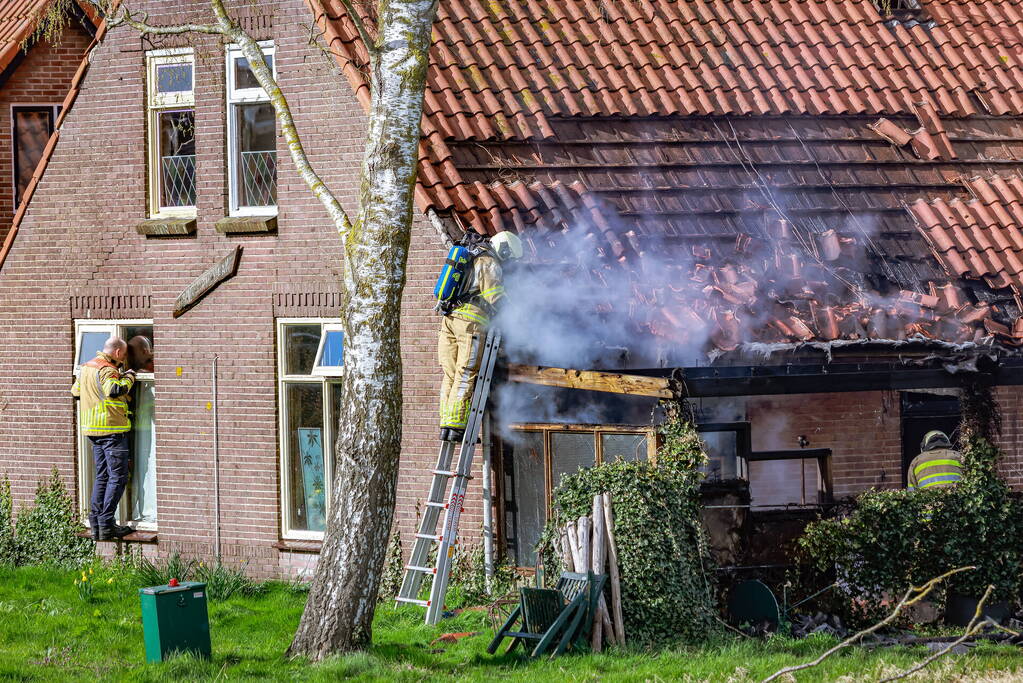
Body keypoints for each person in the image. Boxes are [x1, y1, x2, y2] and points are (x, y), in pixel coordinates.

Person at [438, 229, 522, 442]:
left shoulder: (471, 255)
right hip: (471, 324)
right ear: (504, 249)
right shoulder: (489, 261)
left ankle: (446, 424)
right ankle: (457, 426)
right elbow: (494, 296)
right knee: (466, 373)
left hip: (449, 320)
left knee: (450, 374)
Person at [71, 337, 136, 539]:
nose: (124, 359)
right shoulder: (107, 369)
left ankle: (97, 524)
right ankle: (107, 523)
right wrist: (130, 377)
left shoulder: (86, 367)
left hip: (93, 431)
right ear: (117, 353)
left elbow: (75, 393)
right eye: (124, 355)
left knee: (102, 477)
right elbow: (114, 390)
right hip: (111, 430)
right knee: (118, 477)